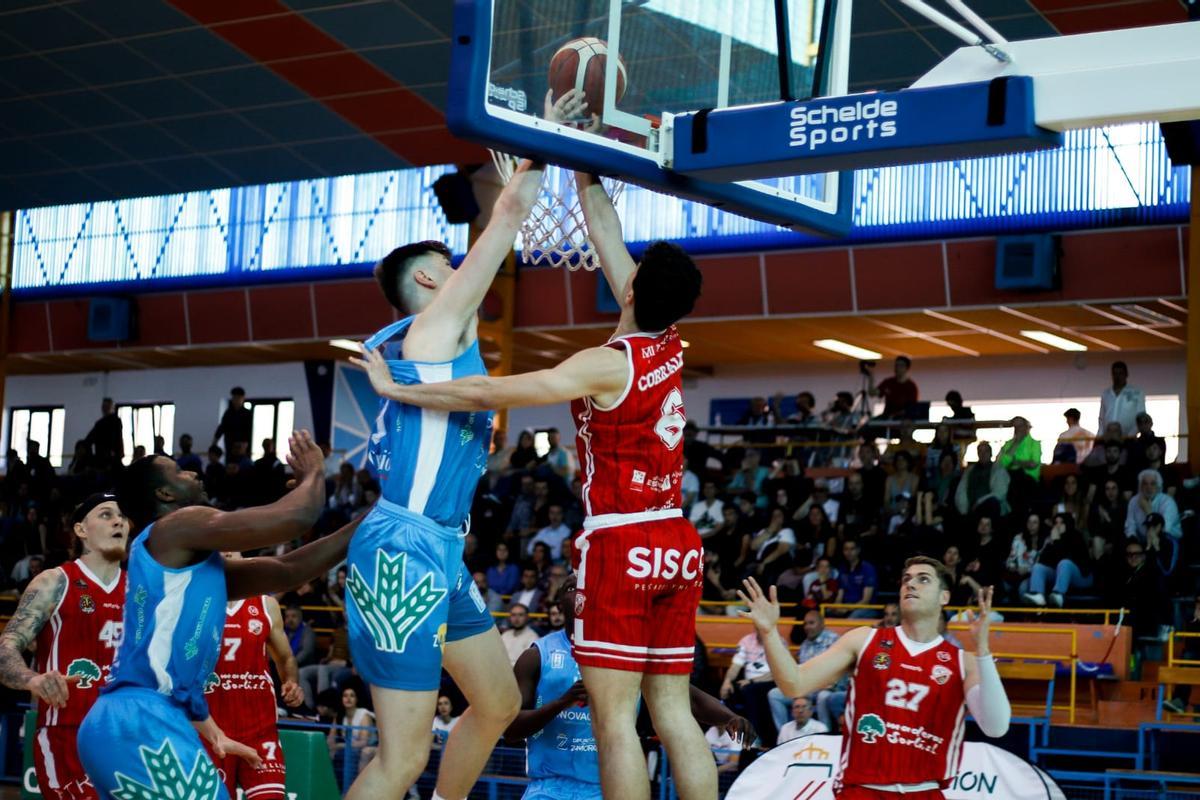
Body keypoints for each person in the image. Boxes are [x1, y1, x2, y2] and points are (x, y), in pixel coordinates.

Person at [352, 166, 711, 800]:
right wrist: (585, 166)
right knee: (672, 713)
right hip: (677, 538)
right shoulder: (671, 345)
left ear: (629, 293)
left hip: (620, 540)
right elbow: (605, 230)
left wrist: (399, 382)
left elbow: (494, 390)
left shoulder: (605, 365)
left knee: (614, 723)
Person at [337, 143, 552, 800]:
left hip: (437, 550)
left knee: (495, 703)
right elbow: (509, 214)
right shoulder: (433, 332)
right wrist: (549, 143)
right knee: (400, 760)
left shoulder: (431, 347)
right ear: (431, 283)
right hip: (403, 552)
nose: (460, 271)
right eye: (448, 266)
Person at [76, 433, 362, 797]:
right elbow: (297, 516)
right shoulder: (175, 527)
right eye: (180, 472)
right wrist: (314, 475)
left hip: (128, 722)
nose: (194, 475)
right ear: (164, 495)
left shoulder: (189, 564)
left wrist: (373, 518)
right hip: (143, 719)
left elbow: (290, 570)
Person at [739, 556, 1011, 799]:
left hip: (924, 791)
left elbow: (996, 727)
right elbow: (793, 684)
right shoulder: (864, 640)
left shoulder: (964, 662)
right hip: (860, 790)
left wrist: (984, 650)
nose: (911, 584)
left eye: (923, 579)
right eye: (906, 579)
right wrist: (770, 632)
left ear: (944, 597)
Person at [504, 574, 752, 800]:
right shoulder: (537, 656)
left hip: (612, 788)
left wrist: (728, 717)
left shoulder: (627, 652)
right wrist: (560, 703)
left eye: (587, 587)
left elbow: (683, 695)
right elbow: (512, 729)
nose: (580, 591)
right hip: (548, 788)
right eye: (571, 587)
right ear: (558, 605)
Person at [0, 494, 127, 800]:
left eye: (123, 517)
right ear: (81, 530)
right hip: (67, 734)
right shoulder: (54, 582)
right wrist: (33, 679)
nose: (119, 521)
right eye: (106, 515)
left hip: (126, 736)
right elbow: (6, 648)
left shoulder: (141, 591)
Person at [204, 575, 306, 800]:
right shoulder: (196, 602)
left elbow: (285, 657)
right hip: (212, 731)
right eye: (221, 546)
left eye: (234, 546)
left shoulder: (265, 605)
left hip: (260, 730)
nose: (228, 551)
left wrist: (291, 682)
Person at [1125, 469, 1181, 540]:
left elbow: (1162, 529)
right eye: (1145, 483)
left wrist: (1148, 512)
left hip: (1168, 538)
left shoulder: (1168, 501)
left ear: (1158, 486)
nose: (1149, 487)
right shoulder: (1134, 501)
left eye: (1152, 484)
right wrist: (1133, 540)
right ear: (1140, 486)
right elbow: (1130, 526)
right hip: (1143, 540)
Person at [1098, 361, 1145, 438]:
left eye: (1120, 373)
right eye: (1115, 374)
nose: (1117, 376)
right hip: (1108, 438)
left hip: (1128, 438)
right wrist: (1100, 436)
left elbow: (1140, 417)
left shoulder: (1136, 393)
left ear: (1126, 374)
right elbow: (1101, 418)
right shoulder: (1106, 394)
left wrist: (1130, 436)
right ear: (1112, 375)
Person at [84, 398, 124, 471]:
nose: (105, 409)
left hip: (110, 459)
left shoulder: (114, 421)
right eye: (104, 407)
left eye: (107, 407)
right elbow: (88, 441)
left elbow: (118, 439)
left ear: (112, 407)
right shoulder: (100, 424)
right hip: (105, 460)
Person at [213, 387, 253, 457]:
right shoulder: (228, 413)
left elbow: (249, 430)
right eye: (234, 398)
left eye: (238, 398)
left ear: (243, 398)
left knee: (241, 464)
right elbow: (222, 427)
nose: (236, 400)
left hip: (242, 446)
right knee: (230, 463)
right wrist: (215, 442)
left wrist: (245, 445)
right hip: (229, 445)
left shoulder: (247, 413)